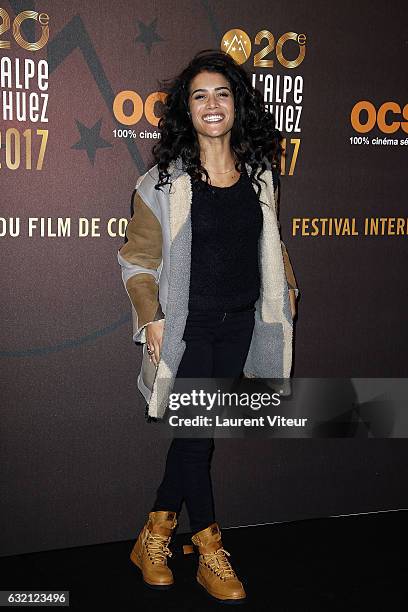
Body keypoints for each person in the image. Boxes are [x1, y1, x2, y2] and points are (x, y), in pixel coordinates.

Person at [117, 48, 299, 603]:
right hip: (187, 329)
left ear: (236, 106)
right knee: (197, 440)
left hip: (240, 324)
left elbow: (271, 243)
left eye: (222, 93)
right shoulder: (164, 184)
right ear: (186, 110)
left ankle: (156, 528)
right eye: (199, 96)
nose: (211, 104)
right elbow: (137, 263)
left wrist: (287, 288)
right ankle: (210, 549)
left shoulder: (260, 176)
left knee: (196, 437)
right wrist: (151, 319)